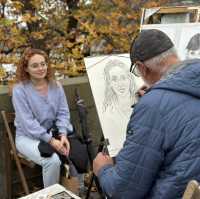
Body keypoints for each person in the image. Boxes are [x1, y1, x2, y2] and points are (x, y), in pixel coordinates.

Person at [93, 29, 200, 198]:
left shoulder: (153, 106)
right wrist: (158, 95)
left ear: (142, 68)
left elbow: (124, 191)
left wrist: (103, 170)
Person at [12, 48, 73, 187]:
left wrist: (63, 134)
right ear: (26, 69)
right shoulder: (19, 90)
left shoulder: (56, 85)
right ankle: (50, 195)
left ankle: (75, 190)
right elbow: (28, 123)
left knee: (77, 151)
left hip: (53, 134)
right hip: (27, 138)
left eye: (43, 64)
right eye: (35, 65)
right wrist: (51, 141)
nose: (40, 68)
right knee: (52, 161)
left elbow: (63, 113)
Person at [101, 59, 137, 155]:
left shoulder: (143, 102)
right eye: (114, 79)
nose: (120, 83)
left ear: (129, 79)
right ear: (110, 84)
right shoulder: (109, 113)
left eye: (123, 77)